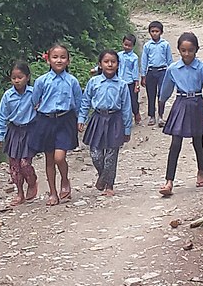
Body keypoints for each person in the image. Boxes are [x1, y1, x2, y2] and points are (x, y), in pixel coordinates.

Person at [158, 32, 203, 196]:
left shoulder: (202, 68)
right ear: (178, 50)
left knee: (198, 140)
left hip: (197, 103)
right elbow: (165, 89)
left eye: (190, 50)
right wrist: (161, 104)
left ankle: (201, 171)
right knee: (175, 143)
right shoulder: (173, 69)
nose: (187, 54)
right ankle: (169, 181)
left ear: (196, 50)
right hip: (181, 104)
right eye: (183, 50)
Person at [30, 44, 82, 206]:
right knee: (49, 159)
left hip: (65, 119)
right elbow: (34, 100)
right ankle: (52, 192)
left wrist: (80, 119)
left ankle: (65, 180)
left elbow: (79, 102)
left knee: (60, 157)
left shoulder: (72, 81)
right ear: (48, 60)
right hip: (46, 120)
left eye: (62, 57)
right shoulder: (42, 81)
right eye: (55, 57)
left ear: (68, 61)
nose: (59, 60)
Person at [78, 50, 132, 197]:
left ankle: (109, 184)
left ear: (117, 65)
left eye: (113, 61)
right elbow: (85, 102)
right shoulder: (93, 82)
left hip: (115, 120)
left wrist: (127, 129)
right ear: (100, 64)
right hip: (97, 118)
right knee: (95, 154)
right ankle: (103, 176)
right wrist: (81, 118)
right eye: (106, 61)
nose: (109, 64)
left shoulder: (122, 85)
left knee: (111, 155)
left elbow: (127, 108)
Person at [0, 61, 38, 207]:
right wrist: (0, 135)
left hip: (29, 131)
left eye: (20, 77)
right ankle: (19, 193)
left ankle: (32, 182)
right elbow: (1, 116)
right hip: (13, 131)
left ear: (27, 77)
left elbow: (42, 108)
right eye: (14, 77)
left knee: (25, 163)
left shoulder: (34, 93)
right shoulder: (8, 96)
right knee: (14, 166)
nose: (17, 80)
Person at [140, 21, 173, 127]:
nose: (154, 33)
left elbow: (169, 60)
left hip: (163, 71)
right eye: (152, 31)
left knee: (161, 95)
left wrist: (172, 74)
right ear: (149, 33)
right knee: (151, 94)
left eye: (157, 31)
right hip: (151, 72)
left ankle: (161, 116)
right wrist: (143, 75)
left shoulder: (165, 45)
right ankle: (152, 116)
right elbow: (144, 61)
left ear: (161, 32)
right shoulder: (147, 46)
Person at [117, 34, 141, 124]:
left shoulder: (134, 58)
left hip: (130, 82)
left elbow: (135, 71)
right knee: (120, 100)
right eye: (125, 44)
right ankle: (123, 119)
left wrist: (136, 84)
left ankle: (136, 113)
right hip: (119, 81)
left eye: (129, 45)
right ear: (122, 43)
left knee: (133, 100)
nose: (127, 47)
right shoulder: (119, 55)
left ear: (133, 46)